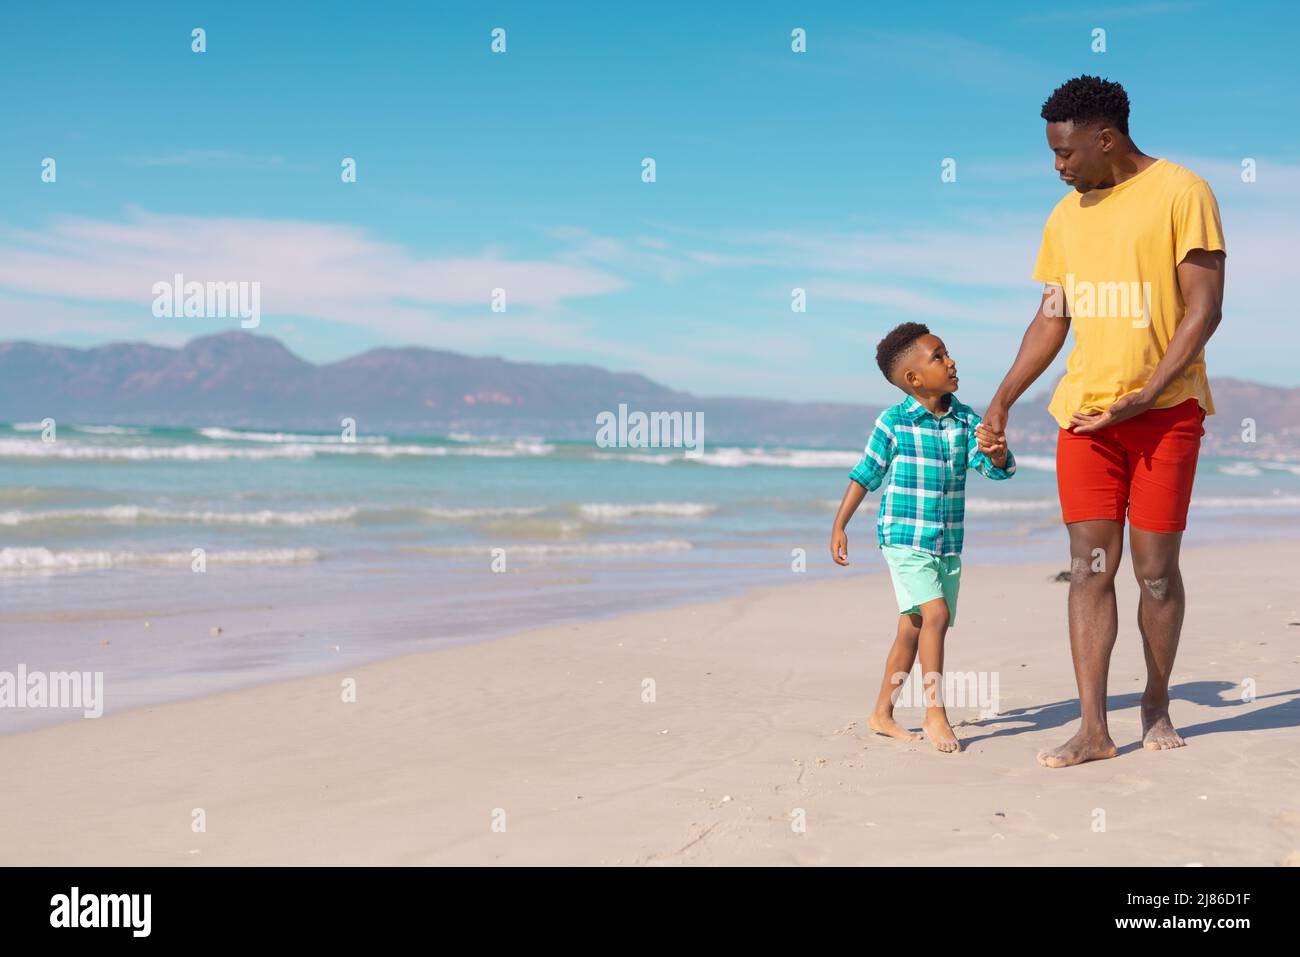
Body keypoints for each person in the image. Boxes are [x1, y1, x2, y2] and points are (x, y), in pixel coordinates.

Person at [979, 75, 1226, 768]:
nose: (1057, 166)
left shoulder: (1184, 191)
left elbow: (1204, 308)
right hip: (1086, 418)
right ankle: (1094, 727)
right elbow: (1053, 316)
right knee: (1089, 567)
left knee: (1154, 573)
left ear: (1105, 138)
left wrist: (1148, 393)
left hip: (1165, 414)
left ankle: (1154, 698)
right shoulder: (1064, 219)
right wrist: (1002, 398)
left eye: (1065, 152)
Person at [831, 323, 1015, 754]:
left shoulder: (966, 419)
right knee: (935, 615)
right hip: (904, 537)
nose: (950, 361)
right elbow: (866, 475)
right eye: (938, 356)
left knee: (914, 627)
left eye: (947, 353)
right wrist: (840, 524)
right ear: (913, 379)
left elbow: (990, 468)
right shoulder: (893, 422)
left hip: (948, 542)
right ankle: (936, 713)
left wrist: (998, 453)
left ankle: (881, 713)